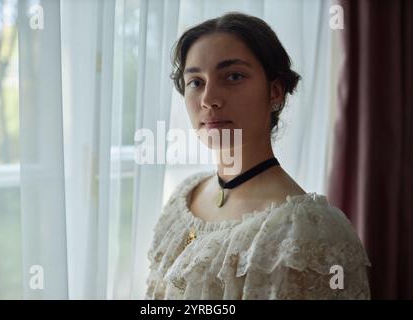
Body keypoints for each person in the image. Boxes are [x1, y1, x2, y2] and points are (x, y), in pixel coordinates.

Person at [145, 12, 371, 300]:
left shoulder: (307, 233)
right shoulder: (183, 198)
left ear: (275, 92)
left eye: (233, 76)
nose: (208, 98)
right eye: (196, 82)